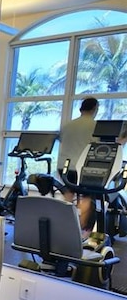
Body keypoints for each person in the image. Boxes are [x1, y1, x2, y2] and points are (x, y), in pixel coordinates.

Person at [57, 97, 99, 235]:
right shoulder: (95, 125)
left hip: (64, 167)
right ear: (94, 109)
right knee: (86, 197)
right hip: (81, 168)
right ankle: (80, 231)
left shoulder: (68, 125)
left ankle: (65, 227)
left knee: (69, 194)